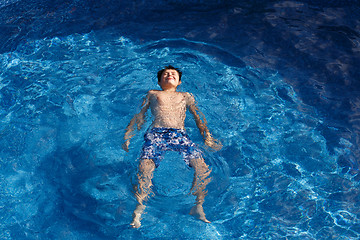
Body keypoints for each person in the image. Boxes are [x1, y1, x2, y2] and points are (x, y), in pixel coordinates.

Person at [122, 65, 222, 228]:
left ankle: (198, 205)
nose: (169, 75)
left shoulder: (186, 96)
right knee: (145, 168)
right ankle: (139, 208)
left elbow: (198, 117)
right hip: (157, 133)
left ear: (179, 81)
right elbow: (139, 114)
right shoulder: (153, 94)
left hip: (179, 134)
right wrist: (128, 135)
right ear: (160, 81)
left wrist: (207, 136)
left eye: (173, 74)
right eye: (165, 74)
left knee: (202, 167)